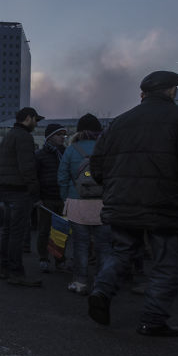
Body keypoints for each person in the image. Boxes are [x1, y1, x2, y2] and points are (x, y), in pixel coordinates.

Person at [87, 71, 178, 337]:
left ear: (143, 94)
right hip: (166, 205)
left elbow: (97, 166)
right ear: (171, 92)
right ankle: (153, 319)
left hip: (122, 203)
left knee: (122, 252)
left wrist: (115, 189)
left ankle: (101, 290)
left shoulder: (119, 123)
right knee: (165, 263)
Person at [58, 114, 110, 295]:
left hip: (77, 204)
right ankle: (101, 285)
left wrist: (66, 199)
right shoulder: (106, 149)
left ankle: (80, 283)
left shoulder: (71, 150)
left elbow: (62, 177)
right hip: (103, 204)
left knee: (80, 245)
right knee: (103, 246)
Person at [0, 106, 44, 287]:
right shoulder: (24, 137)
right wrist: (35, 192)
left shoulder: (8, 136)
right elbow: (27, 168)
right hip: (19, 190)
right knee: (17, 233)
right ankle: (16, 273)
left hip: (6, 190)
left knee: (8, 231)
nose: (36, 124)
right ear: (28, 118)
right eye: (35, 120)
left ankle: (5, 269)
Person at [35, 123, 68, 271]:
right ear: (49, 137)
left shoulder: (66, 153)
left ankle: (59, 259)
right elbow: (34, 177)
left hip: (63, 198)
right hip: (46, 199)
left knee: (61, 232)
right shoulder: (40, 155)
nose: (62, 137)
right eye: (59, 134)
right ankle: (43, 258)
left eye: (63, 134)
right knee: (44, 230)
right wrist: (36, 197)